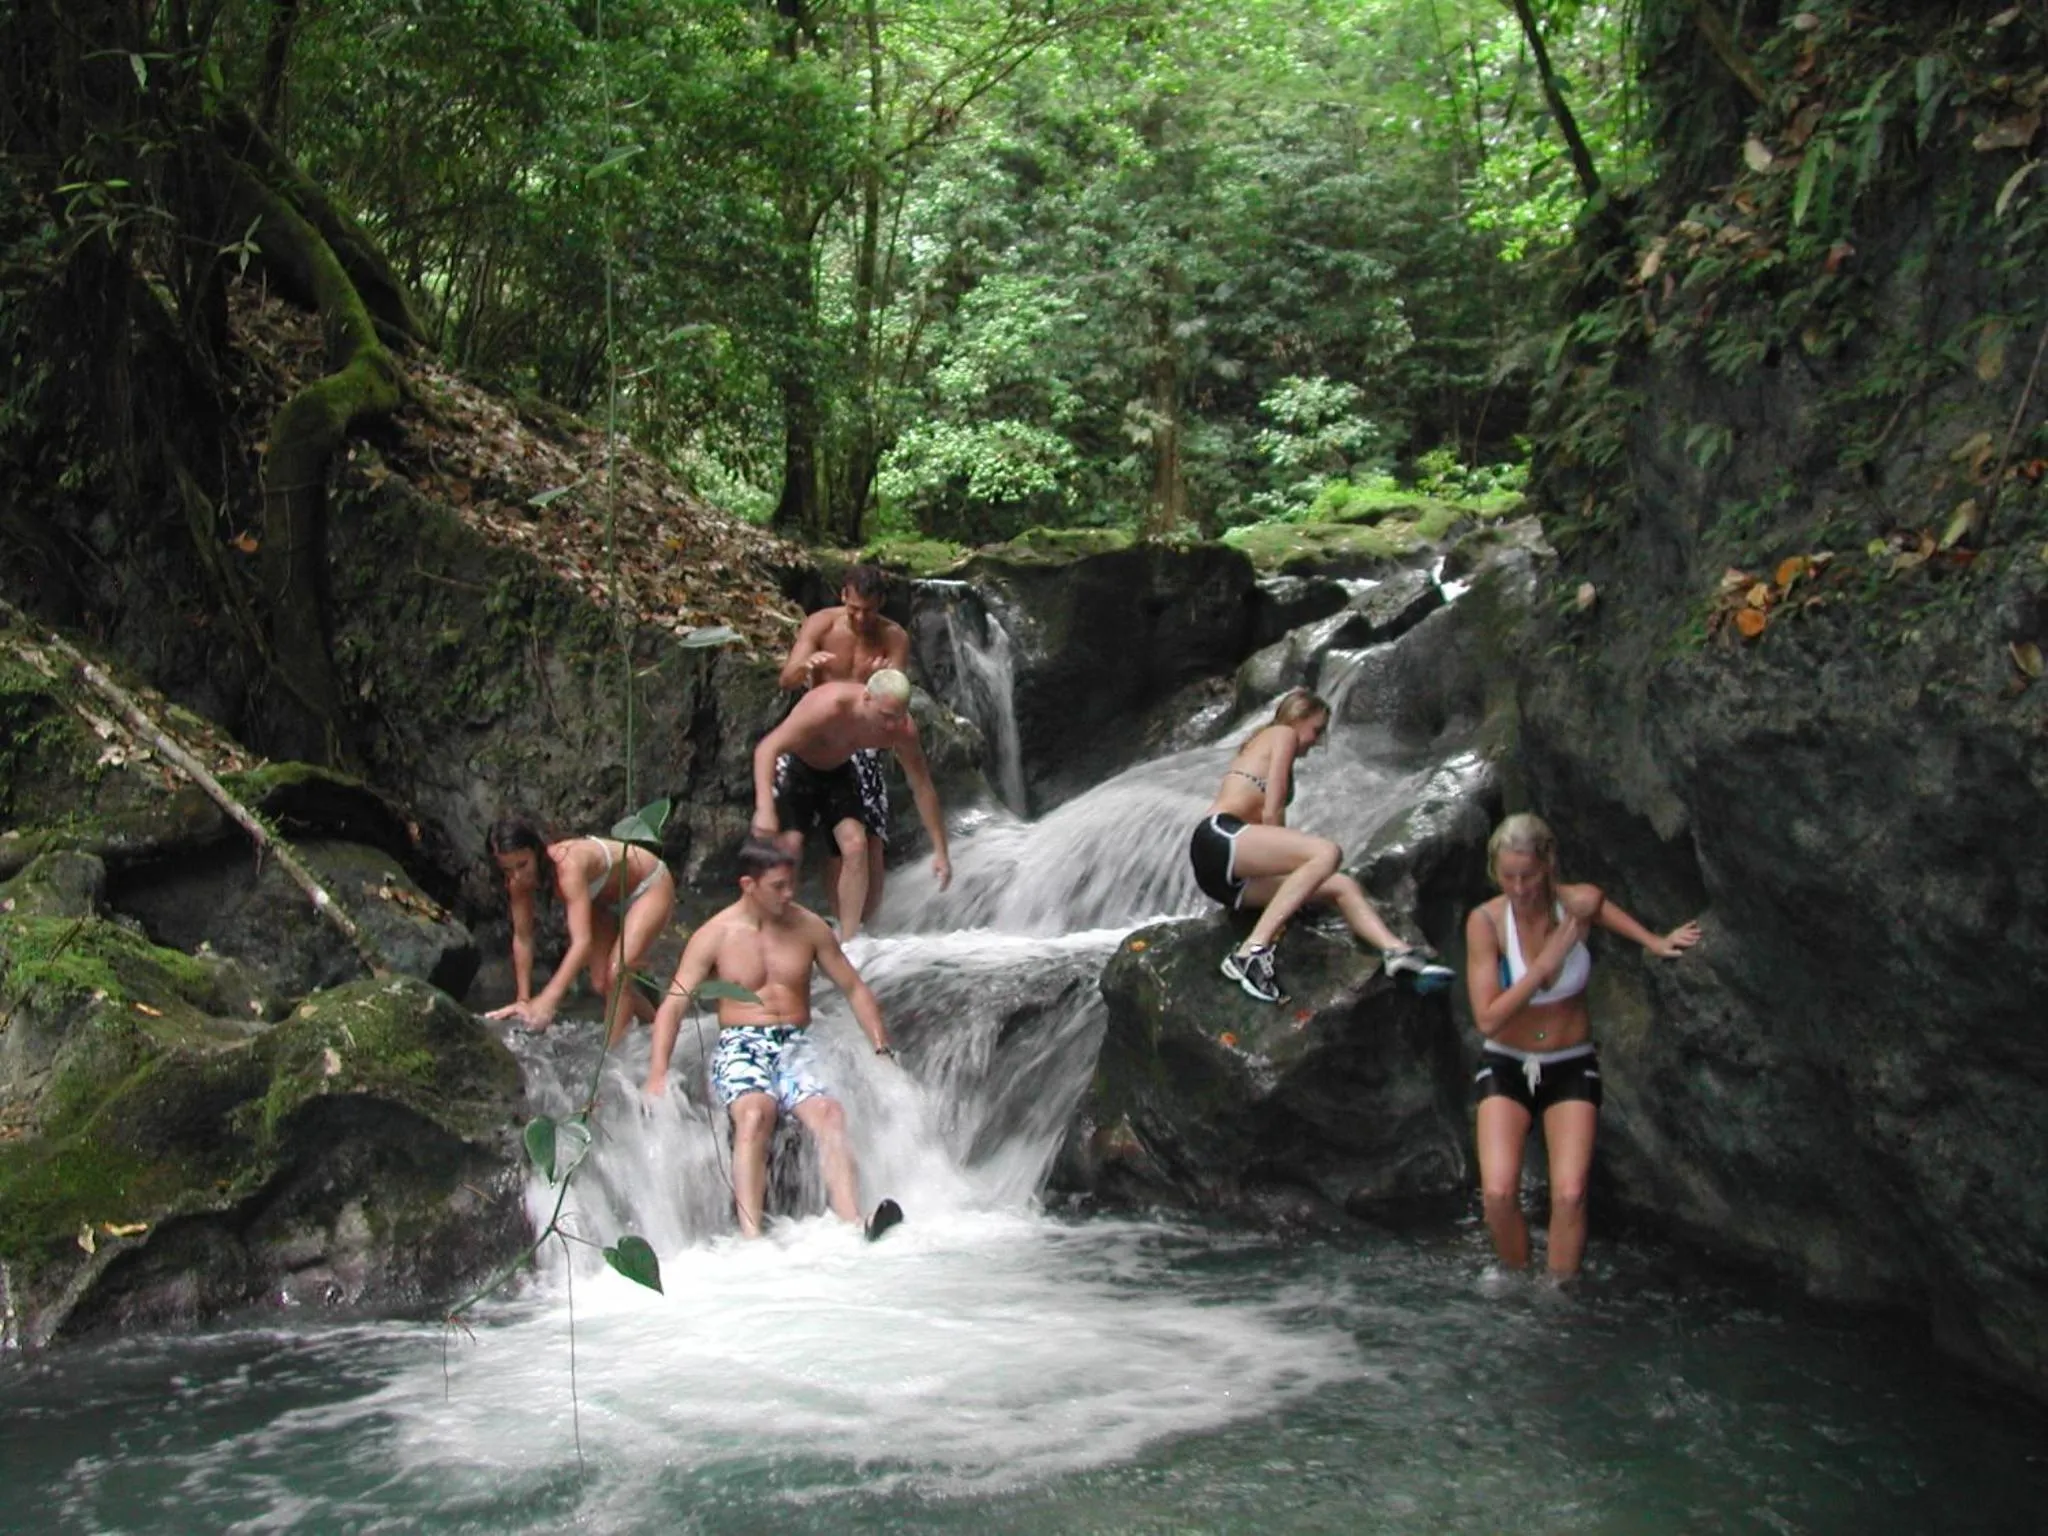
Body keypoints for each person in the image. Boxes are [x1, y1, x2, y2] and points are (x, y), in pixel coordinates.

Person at [1463, 812, 1702, 1278]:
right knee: (1496, 1193)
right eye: (1507, 877)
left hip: (1570, 1062)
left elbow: (1599, 905)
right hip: (1507, 1060)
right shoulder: (1486, 922)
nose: (1518, 888)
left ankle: (1559, 1295)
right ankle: (1516, 1282)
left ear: (1548, 864)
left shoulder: (1577, 905)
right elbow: (1488, 1015)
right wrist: (1544, 964)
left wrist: (1656, 942)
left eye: (1527, 876)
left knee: (1569, 1194)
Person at [643, 837, 897, 1237]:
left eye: (791, 883)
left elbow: (854, 988)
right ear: (749, 885)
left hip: (795, 1042)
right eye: (778, 886)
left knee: (830, 1115)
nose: (789, 894)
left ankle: (854, 1222)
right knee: (755, 1113)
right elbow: (673, 1005)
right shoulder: (715, 935)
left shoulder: (810, 927)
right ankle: (751, 1234)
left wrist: (881, 1046)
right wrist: (657, 1073)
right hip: (741, 1043)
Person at [1190, 687, 1454, 1004]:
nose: (1317, 740)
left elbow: (1272, 830)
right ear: (1297, 718)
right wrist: (1293, 869)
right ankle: (1251, 953)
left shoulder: (1269, 744)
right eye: (1316, 729)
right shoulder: (1282, 734)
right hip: (1220, 837)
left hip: (1226, 880)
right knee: (1327, 853)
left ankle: (1395, 951)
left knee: (1339, 884)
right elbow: (1272, 809)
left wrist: (1295, 885)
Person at [752, 668, 952, 941]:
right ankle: (775, 928)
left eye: (899, 716)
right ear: (867, 699)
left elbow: (922, 786)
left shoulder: (901, 731)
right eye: (886, 716)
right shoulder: (829, 707)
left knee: (856, 846)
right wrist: (764, 807)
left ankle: (849, 941)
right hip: (798, 769)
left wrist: (941, 850)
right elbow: (767, 749)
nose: (892, 725)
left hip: (839, 773)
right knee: (791, 847)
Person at [777, 564, 912, 929]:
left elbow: (895, 699)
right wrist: (805, 665)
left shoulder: (893, 637)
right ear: (843, 596)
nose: (860, 617)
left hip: (862, 741)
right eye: (853, 608)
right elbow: (787, 680)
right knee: (802, 836)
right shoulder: (820, 624)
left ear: (881, 602)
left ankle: (861, 932)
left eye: (868, 610)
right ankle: (810, 919)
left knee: (870, 840)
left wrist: (877, 679)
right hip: (816, 734)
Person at [484, 818, 675, 1045]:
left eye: (523, 865)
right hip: (602, 902)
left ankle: (611, 1058)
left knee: (617, 974)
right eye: (507, 869)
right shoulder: (516, 881)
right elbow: (523, 938)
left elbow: (581, 943)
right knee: (601, 983)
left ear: (537, 851)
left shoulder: (568, 866)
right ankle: (660, 1026)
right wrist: (523, 1000)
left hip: (648, 886)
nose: (517, 876)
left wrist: (548, 999)